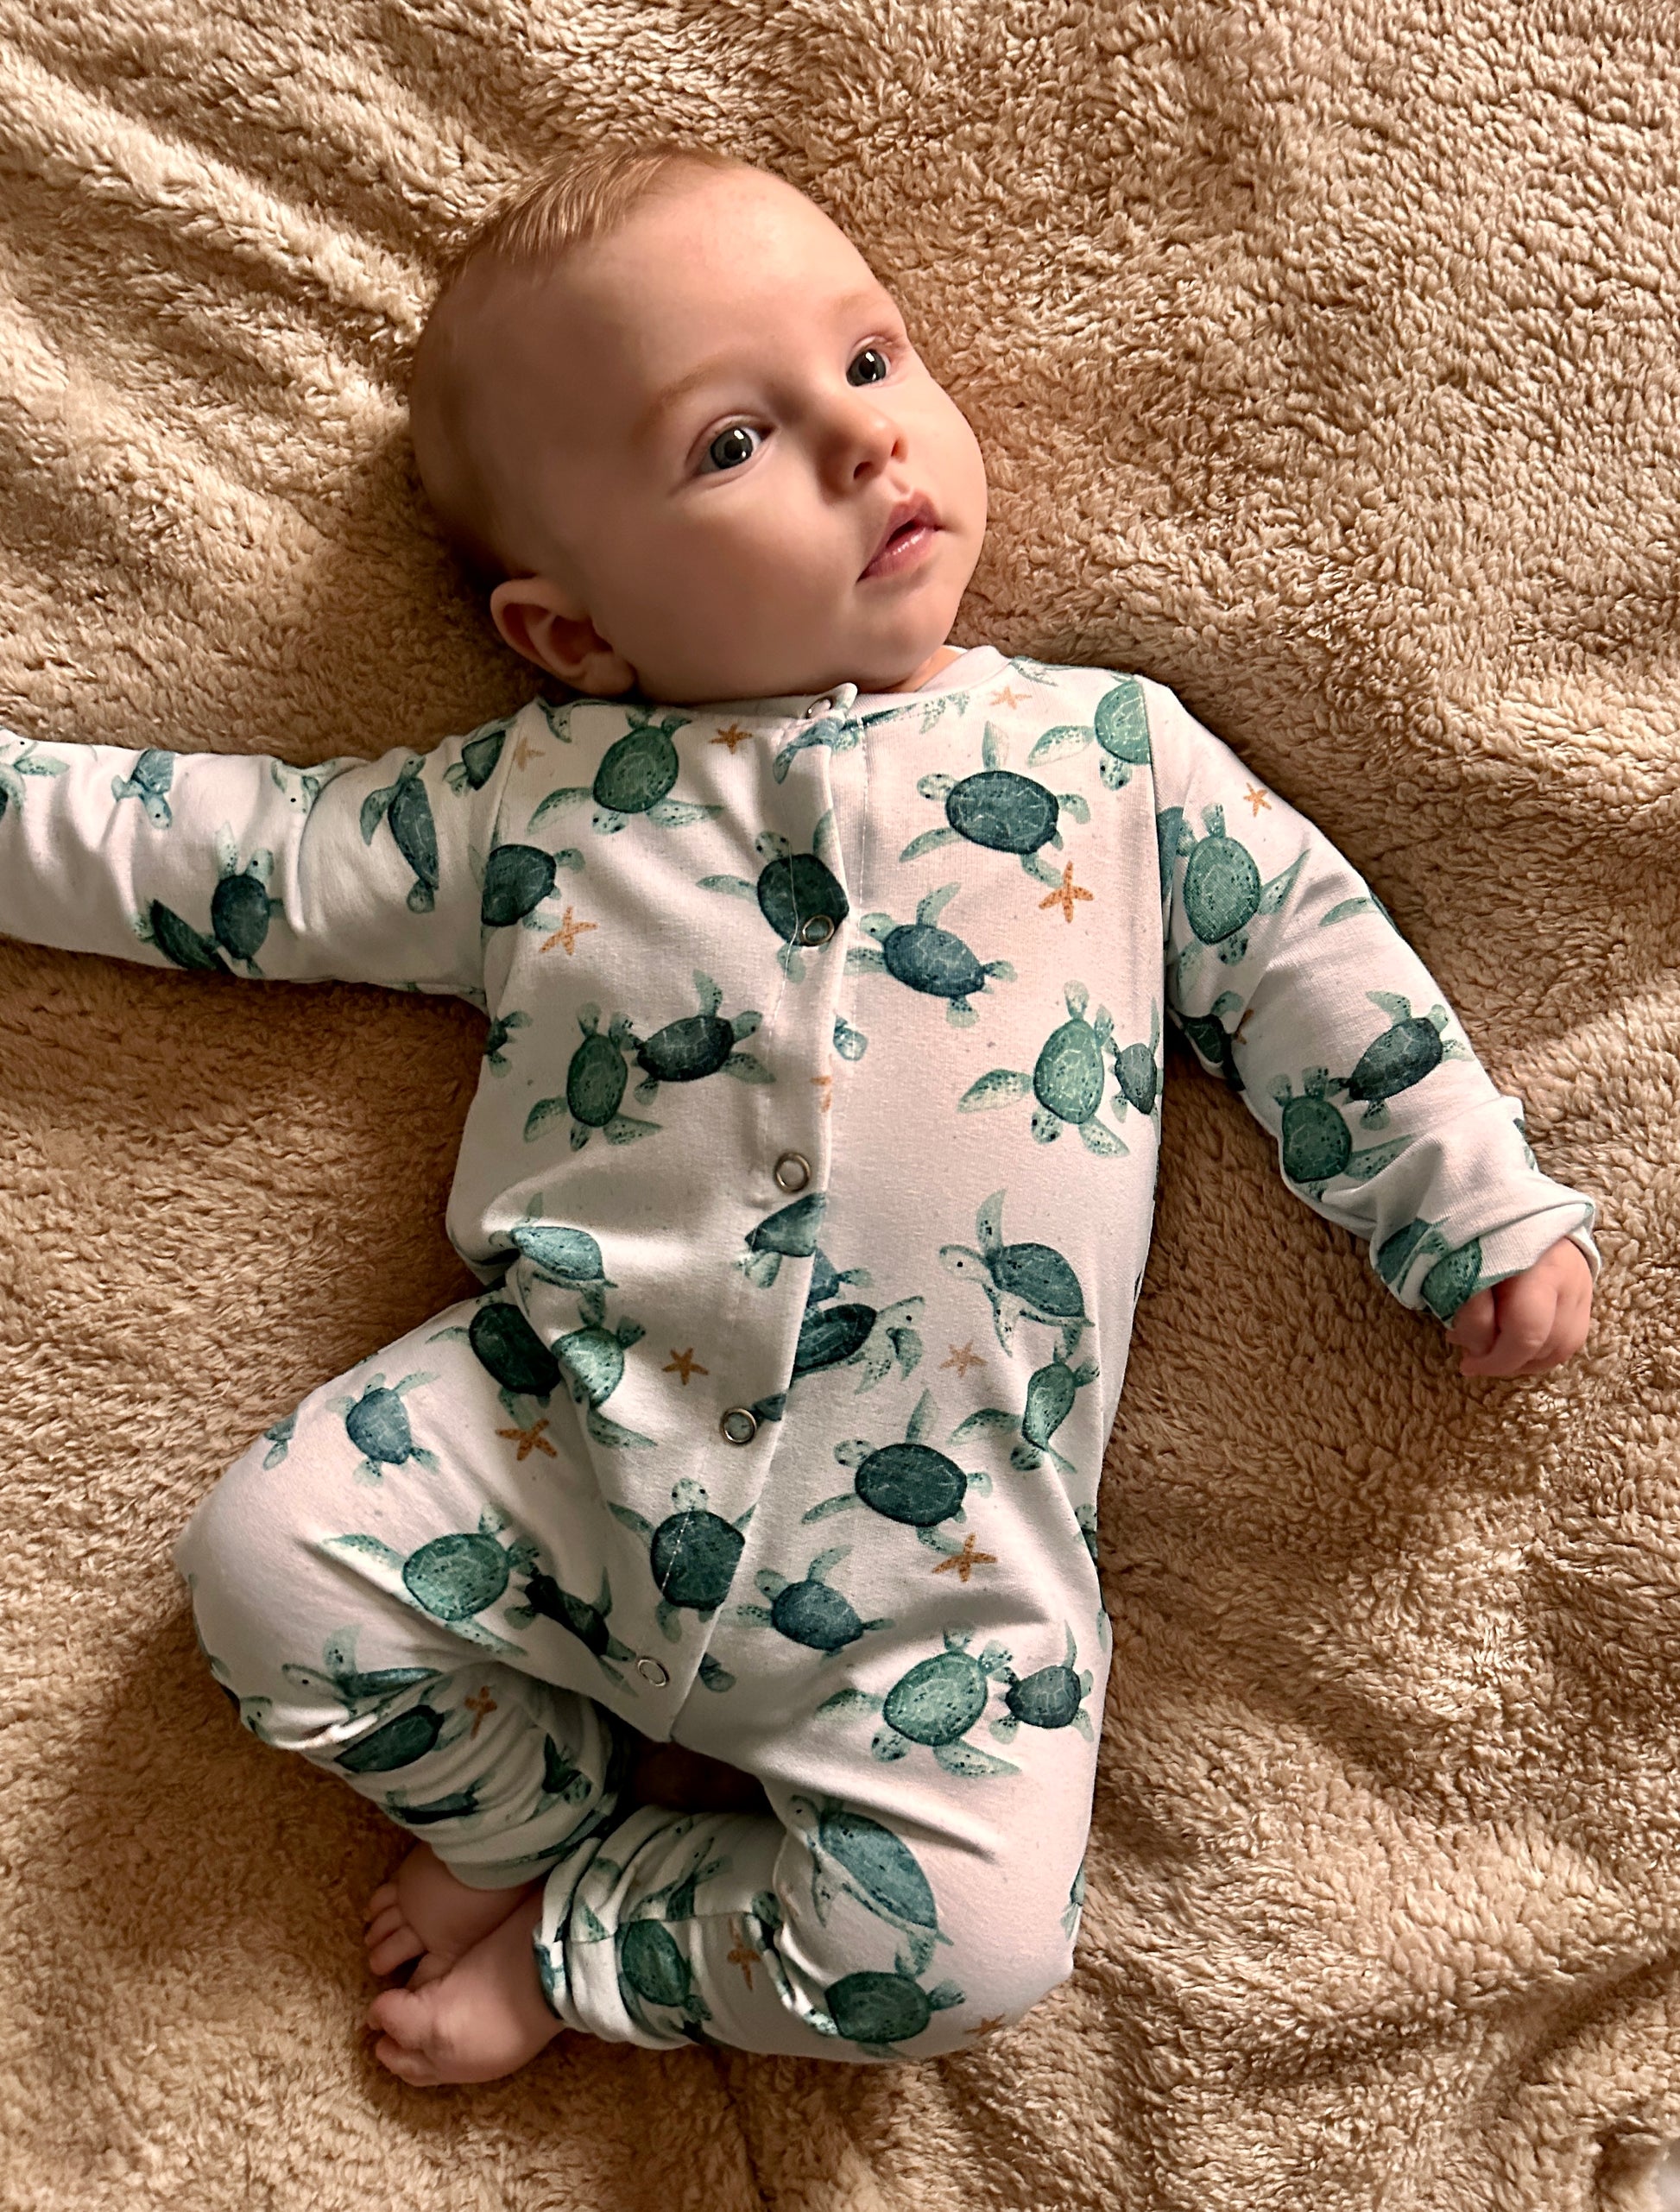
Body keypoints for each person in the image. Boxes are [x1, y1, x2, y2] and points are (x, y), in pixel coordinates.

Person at [0, 142, 1597, 2086]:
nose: (865, 447)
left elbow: (1307, 964)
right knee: (264, 1563)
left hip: (946, 1578)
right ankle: (517, 1818)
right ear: (569, 635)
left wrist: (1465, 1198)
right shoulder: (529, 807)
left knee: (975, 1947)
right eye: (734, 441)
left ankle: (592, 1942)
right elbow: (225, 856)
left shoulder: (1099, 757)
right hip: (560, 1447)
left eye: (870, 360)